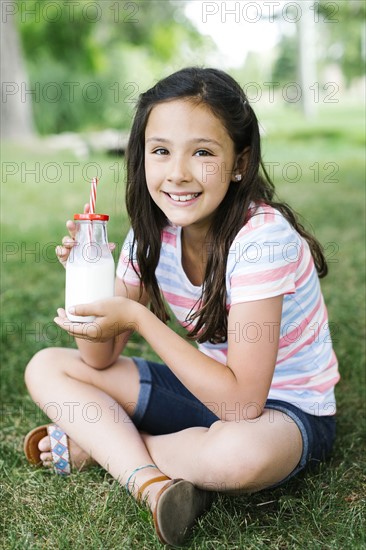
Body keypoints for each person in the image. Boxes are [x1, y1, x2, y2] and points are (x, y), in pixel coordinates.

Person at [24, 67, 340, 547]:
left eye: (203, 152)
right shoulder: (150, 237)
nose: (178, 173)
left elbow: (242, 405)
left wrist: (138, 318)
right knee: (48, 366)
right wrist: (84, 285)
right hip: (205, 390)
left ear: (239, 162)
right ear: (141, 156)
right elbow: (98, 359)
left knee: (238, 456)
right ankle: (151, 482)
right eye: (161, 151)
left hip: (287, 411)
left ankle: (105, 449)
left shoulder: (262, 239)